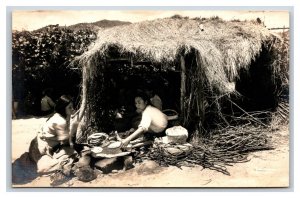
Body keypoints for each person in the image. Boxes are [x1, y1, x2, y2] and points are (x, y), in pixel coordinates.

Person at [29, 95, 76, 174]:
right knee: (71, 154)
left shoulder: (59, 115)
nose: (73, 109)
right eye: (70, 107)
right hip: (39, 150)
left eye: (72, 107)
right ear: (62, 108)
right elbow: (65, 141)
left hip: (37, 144)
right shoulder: (60, 120)